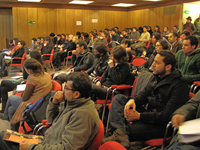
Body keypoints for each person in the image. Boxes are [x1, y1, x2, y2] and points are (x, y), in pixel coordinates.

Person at [103, 50, 189, 148]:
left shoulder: (179, 86)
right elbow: (143, 94)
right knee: (119, 98)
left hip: (159, 125)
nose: (152, 64)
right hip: (146, 114)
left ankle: (120, 133)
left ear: (168, 67)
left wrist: (139, 116)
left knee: (127, 129)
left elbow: (166, 116)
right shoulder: (156, 76)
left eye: (157, 62)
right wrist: (133, 100)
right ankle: (121, 133)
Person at [0, 72, 100, 150]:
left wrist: (31, 148)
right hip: (45, 142)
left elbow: (67, 148)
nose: (63, 91)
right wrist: (54, 103)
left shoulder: (82, 115)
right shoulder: (73, 104)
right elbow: (50, 121)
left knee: (1, 139)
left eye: (66, 88)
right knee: (5, 135)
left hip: (45, 146)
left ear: (76, 94)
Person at [1, 58, 52, 130]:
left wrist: (22, 93)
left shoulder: (33, 78)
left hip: (34, 105)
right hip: (43, 103)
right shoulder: (46, 74)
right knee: (11, 109)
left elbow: (25, 98)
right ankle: (14, 131)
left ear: (29, 70)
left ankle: (6, 116)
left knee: (11, 97)